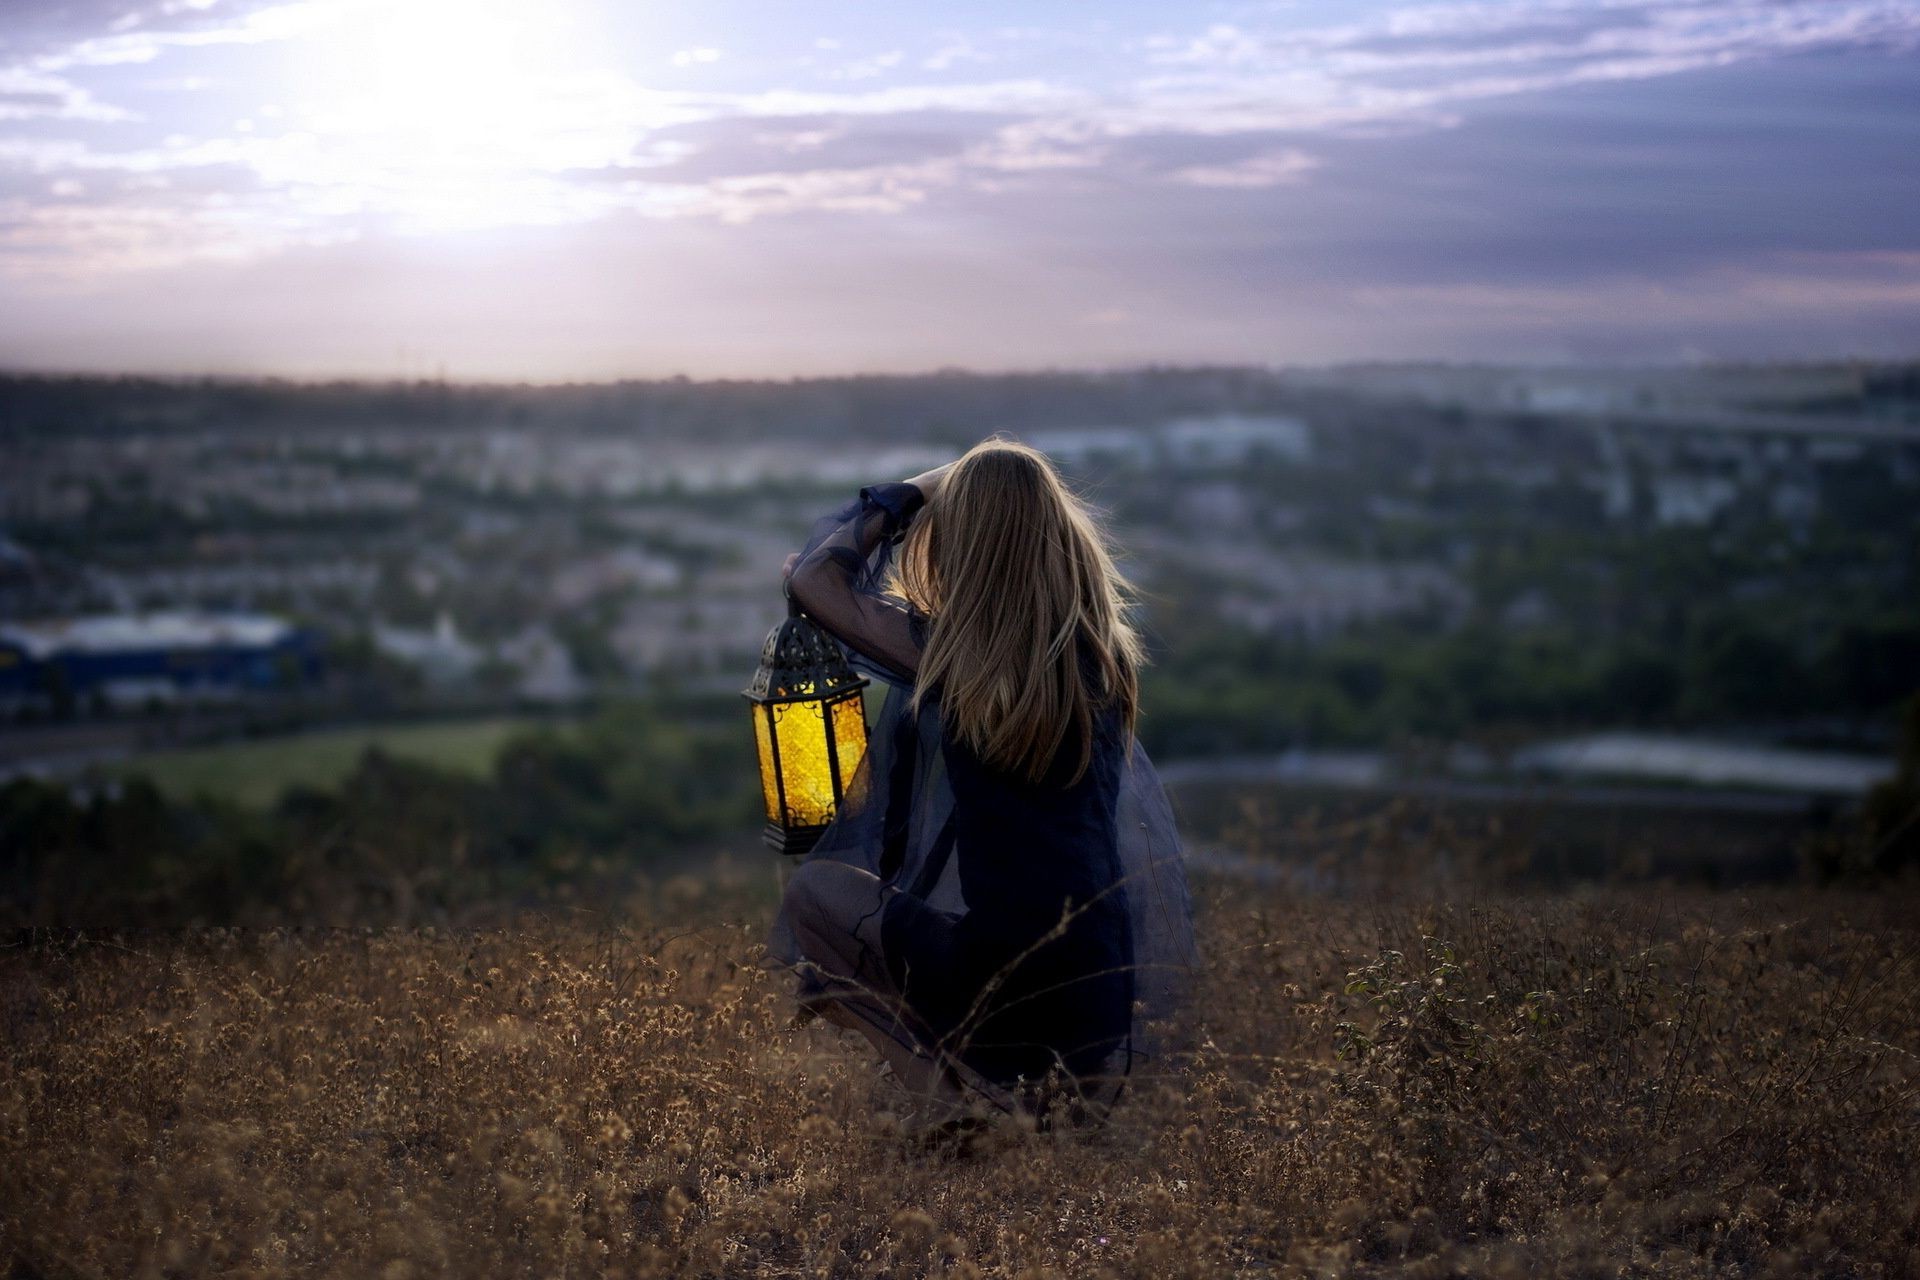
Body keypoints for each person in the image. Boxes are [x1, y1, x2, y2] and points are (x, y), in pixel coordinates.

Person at [766, 438, 1196, 1133]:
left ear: (966, 549)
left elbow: (816, 580)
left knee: (816, 899)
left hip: (1007, 982)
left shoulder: (954, 658)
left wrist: (922, 487)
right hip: (1101, 986)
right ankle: (990, 1108)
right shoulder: (1104, 657)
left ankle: (944, 1111)